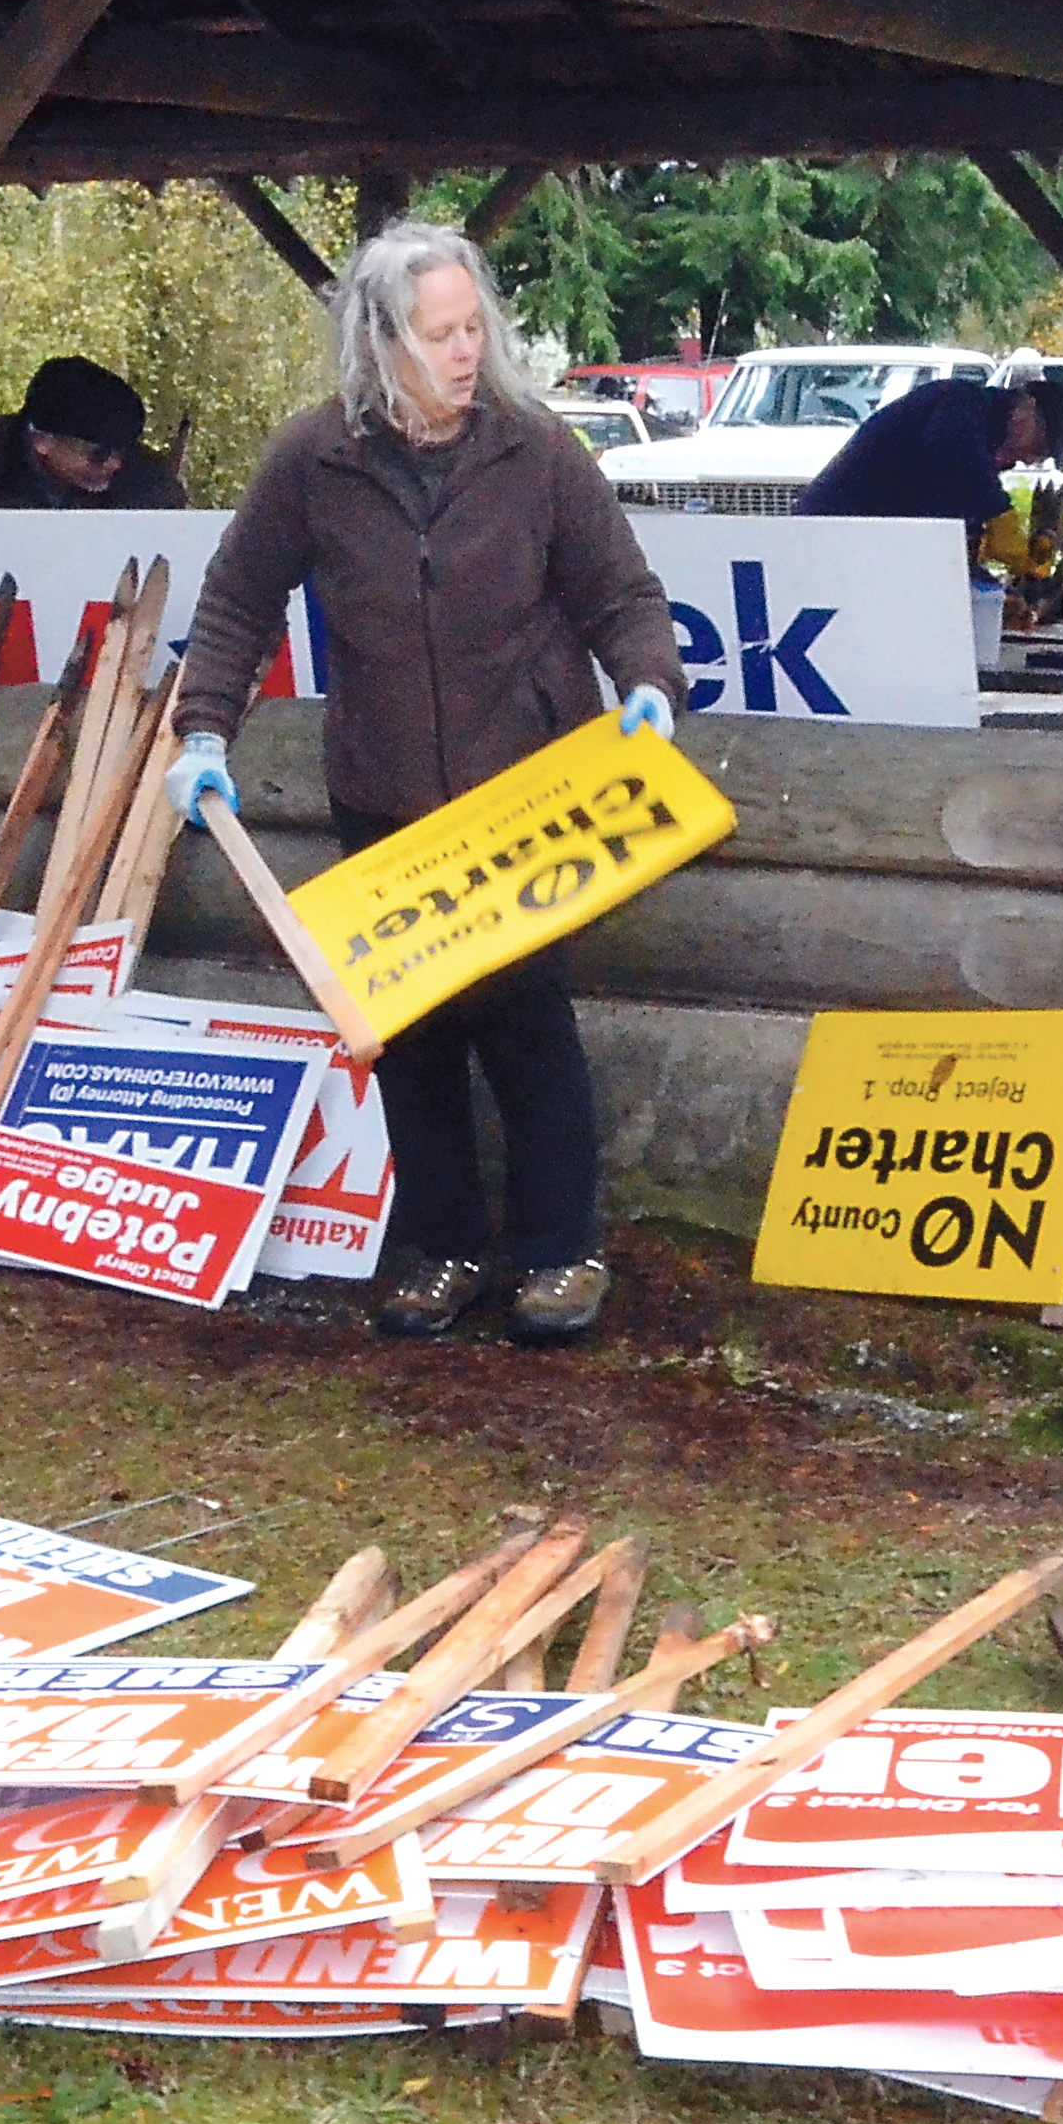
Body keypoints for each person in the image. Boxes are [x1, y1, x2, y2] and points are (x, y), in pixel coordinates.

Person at [165, 220, 683, 1348]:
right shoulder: (314, 460)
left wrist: (646, 682)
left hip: (525, 795)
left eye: (472, 327)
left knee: (525, 1018)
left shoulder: (536, 448)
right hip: (384, 791)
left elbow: (623, 597)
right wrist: (203, 730)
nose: (464, 350)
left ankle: (559, 1252)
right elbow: (235, 605)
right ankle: (440, 1246)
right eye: (439, 334)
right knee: (410, 1034)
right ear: (379, 342)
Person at [792, 367, 1063, 537]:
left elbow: (950, 523)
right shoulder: (962, 402)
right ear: (1027, 408)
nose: (1028, 458)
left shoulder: (982, 445)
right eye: (1038, 445)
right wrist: (999, 513)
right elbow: (953, 449)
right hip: (827, 533)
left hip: (870, 542)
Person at [0, 355, 189, 510]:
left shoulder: (144, 483)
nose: (116, 464)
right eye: (100, 454)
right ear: (42, 441)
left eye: (125, 449)